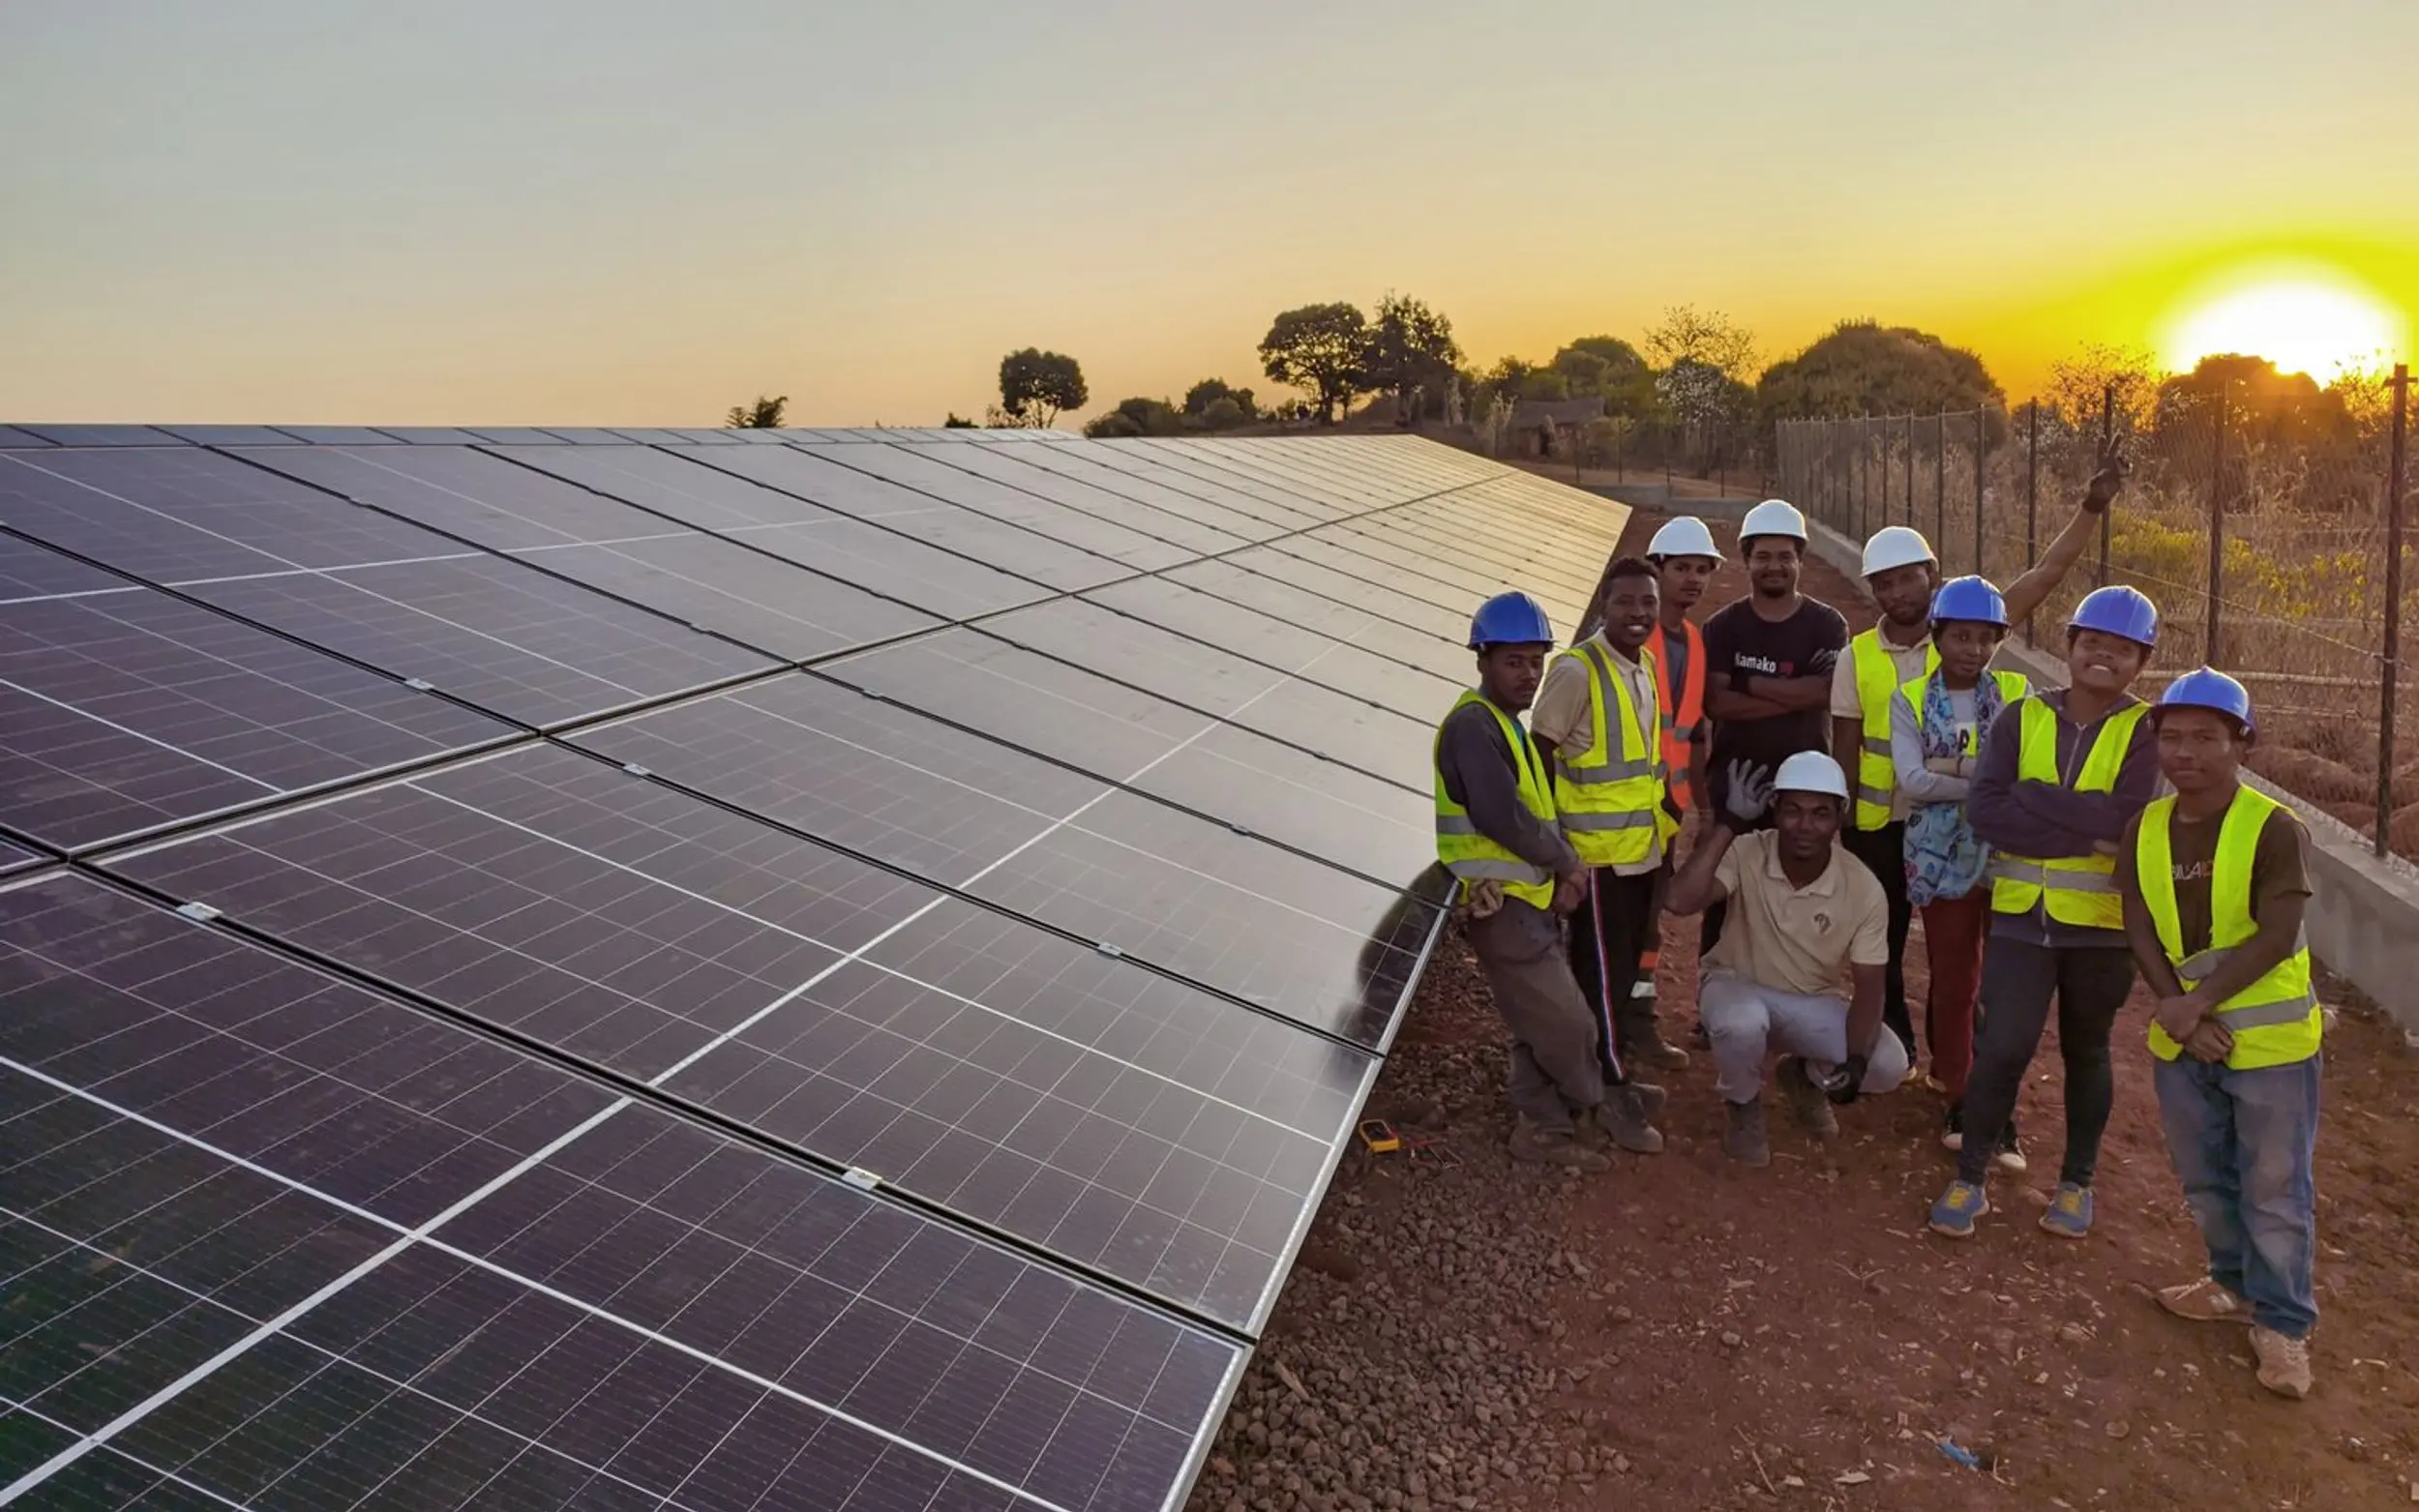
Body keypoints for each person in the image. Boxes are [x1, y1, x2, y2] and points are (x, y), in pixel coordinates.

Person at [1833, 437, 2128, 1061]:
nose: (1897, 591)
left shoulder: (1971, 628)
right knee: (1879, 943)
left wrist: (2090, 509)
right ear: (1874, 592)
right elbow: (1846, 742)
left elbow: (2047, 574)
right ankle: (1896, 1052)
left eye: (1908, 577)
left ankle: (1957, 1066)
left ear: (1931, 578)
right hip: (1882, 822)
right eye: (1883, 583)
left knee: (1961, 959)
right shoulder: (1857, 654)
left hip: (1970, 827)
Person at [1928, 584, 2162, 1239]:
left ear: (2141, 662)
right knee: (2002, 1047)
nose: (2103, 658)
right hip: (2022, 917)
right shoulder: (2021, 718)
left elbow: (2130, 820)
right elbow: (1986, 810)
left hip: (2102, 927)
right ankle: (1970, 1176)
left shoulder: (2145, 730)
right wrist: (2090, 834)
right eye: (2092, 643)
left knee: (2088, 1050)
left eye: (2121, 650)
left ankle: (2075, 1183)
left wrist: (2039, 798)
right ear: (2069, 646)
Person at [2117, 668, 2319, 1400]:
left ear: (2242, 742)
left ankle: (2284, 1322)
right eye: (2171, 738)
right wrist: (2176, 1008)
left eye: (2206, 737)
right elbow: (2138, 920)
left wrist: (2193, 1004)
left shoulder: (2274, 828)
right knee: (2206, 1175)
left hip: (2266, 1044)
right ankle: (2230, 1285)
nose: (2185, 753)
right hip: (2185, 1038)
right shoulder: (2145, 827)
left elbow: (2278, 932)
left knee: (2274, 1187)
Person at [1435, 590, 1665, 1171]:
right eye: (1514, 661)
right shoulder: (1474, 726)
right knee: (1567, 1023)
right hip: (1501, 907)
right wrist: (1567, 862)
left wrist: (1560, 868)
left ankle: (1542, 1123)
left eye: (1536, 661)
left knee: (1533, 1020)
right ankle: (1578, 1109)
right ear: (1482, 660)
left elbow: (1533, 808)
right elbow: (1500, 815)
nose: (1529, 674)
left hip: (1526, 901)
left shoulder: (1505, 725)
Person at [1663, 750, 1907, 1167]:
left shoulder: (1862, 887)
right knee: (1741, 1023)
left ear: (1838, 818)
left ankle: (1804, 1078)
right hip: (1734, 986)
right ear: (1774, 810)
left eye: (1820, 814)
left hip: (1810, 1002)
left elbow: (1869, 988)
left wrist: (1855, 1060)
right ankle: (1743, 1105)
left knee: (1887, 1064)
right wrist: (1729, 825)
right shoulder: (1747, 851)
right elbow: (1678, 901)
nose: (1805, 826)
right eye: (1792, 811)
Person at [1889, 576, 2032, 1164]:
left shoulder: (2019, 698)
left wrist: (1954, 774)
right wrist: (1988, 783)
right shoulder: (1910, 697)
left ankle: (1998, 1102)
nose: (1973, 649)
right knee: (1956, 980)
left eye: (1985, 638)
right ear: (1938, 636)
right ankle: (1960, 1090)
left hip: (2005, 855)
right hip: (1939, 859)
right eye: (1961, 636)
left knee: (2004, 986)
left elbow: (2024, 776)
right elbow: (1912, 782)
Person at [1533, 557, 1687, 1079]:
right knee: (1597, 972)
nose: (1638, 612)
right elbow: (1540, 756)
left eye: (1648, 601)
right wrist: (1555, 851)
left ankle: (1611, 1056)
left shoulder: (1642, 664)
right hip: (1594, 860)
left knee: (1623, 966)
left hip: (1638, 851)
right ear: (1605, 606)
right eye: (1625, 601)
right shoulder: (1577, 670)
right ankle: (1604, 1077)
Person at [1698, 499, 1850, 973]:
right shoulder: (1723, 627)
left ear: (1800, 560)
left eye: (1785, 555)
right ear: (1747, 559)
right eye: (1763, 555)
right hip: (1735, 778)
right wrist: (1794, 691)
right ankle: (1715, 988)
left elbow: (1826, 692)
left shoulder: (1827, 624)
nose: (1774, 565)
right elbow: (1717, 704)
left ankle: (1790, 988)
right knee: (1723, 887)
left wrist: (1751, 684)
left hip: (1803, 789)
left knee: (1796, 891)